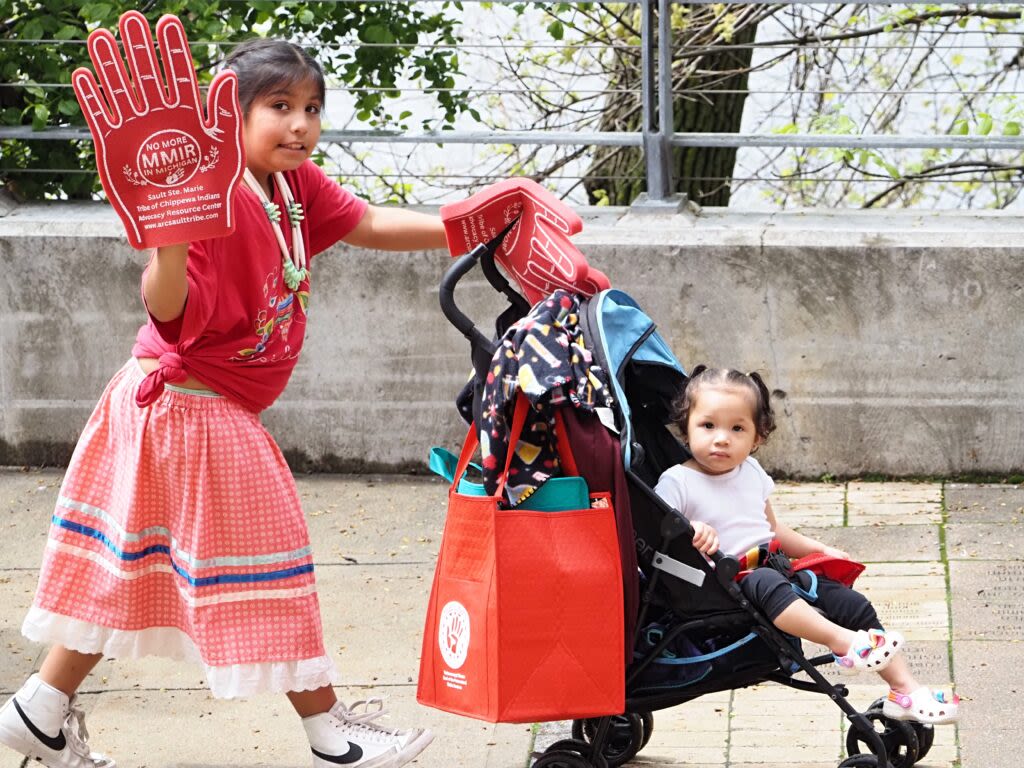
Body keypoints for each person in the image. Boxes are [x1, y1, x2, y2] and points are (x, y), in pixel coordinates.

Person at [0, 37, 447, 768]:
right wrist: (169, 242)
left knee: (127, 573)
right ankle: (332, 730)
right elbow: (169, 309)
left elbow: (365, 224)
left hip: (181, 413)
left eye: (311, 108)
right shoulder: (212, 195)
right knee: (275, 570)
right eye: (278, 107)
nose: (300, 124)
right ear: (229, 116)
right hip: (189, 411)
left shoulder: (289, 187)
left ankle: (39, 711)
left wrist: (474, 222)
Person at [654, 365, 960, 726]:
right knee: (766, 584)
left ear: (757, 438)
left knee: (851, 602)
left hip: (774, 569)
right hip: (723, 586)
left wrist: (820, 549)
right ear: (686, 427)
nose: (721, 438)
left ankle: (903, 689)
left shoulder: (751, 472)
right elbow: (660, 535)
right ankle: (842, 642)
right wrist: (692, 531)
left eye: (737, 428)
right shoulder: (678, 482)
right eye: (708, 426)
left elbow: (773, 529)